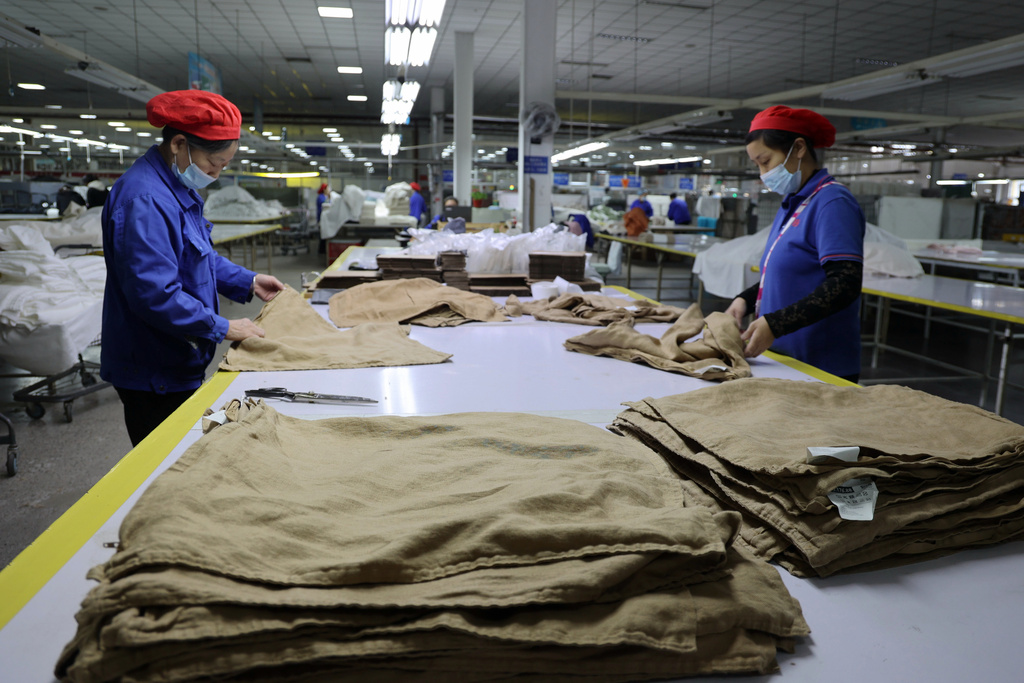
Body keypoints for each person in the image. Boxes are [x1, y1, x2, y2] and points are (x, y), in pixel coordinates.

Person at [100, 89, 285, 446]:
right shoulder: (145, 200)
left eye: (224, 167)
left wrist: (248, 281)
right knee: (171, 464)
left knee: (197, 444)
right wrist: (222, 326)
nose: (215, 174)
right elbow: (155, 295)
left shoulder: (175, 189)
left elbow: (199, 257)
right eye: (213, 165)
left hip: (177, 358)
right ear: (180, 143)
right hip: (152, 369)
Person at [725, 105, 865, 382]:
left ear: (799, 148)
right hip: (784, 358)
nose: (762, 173)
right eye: (757, 165)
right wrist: (745, 299)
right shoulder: (794, 203)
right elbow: (789, 272)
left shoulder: (833, 203)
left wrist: (776, 324)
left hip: (819, 364)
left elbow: (844, 283)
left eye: (765, 161)